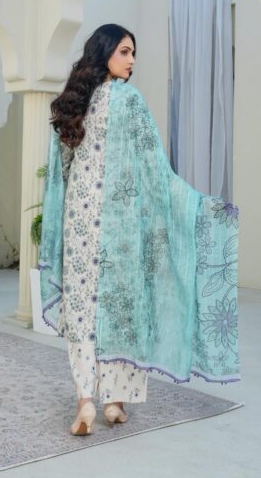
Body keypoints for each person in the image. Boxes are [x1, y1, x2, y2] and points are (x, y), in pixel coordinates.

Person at [38, 23, 241, 436]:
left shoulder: (74, 102)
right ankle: (113, 402)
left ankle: (87, 400)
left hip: (79, 226)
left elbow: (62, 173)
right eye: (125, 51)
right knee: (122, 311)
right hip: (122, 231)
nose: (131, 61)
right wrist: (201, 207)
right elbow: (156, 172)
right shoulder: (129, 100)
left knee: (83, 310)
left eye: (133, 53)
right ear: (105, 52)